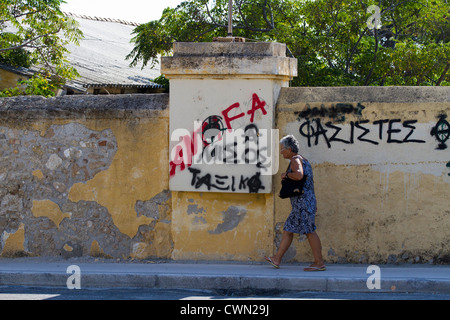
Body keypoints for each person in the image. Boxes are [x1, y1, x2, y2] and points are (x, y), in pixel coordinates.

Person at [265, 135, 325, 271]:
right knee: (288, 229)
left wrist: (285, 175)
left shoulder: (295, 159)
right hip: (304, 202)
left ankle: (319, 263)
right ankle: (277, 259)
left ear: (289, 149)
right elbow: (309, 182)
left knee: (309, 231)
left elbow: (299, 175)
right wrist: (313, 202)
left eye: (282, 149)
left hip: (302, 203)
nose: (281, 152)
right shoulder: (304, 159)